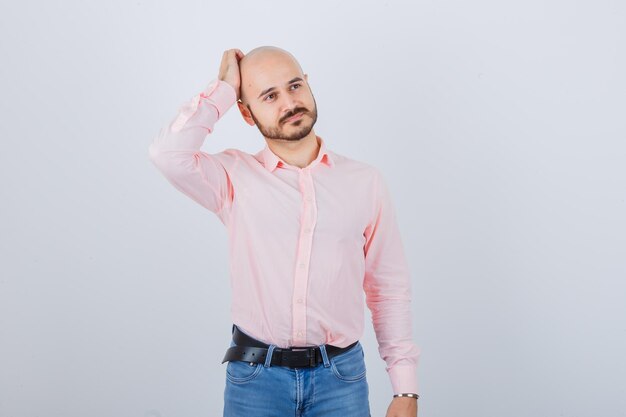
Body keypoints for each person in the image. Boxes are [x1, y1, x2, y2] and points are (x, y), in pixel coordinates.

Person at [148, 46, 421, 417]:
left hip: (341, 380)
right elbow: (167, 154)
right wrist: (226, 89)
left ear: (308, 85)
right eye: (269, 96)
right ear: (246, 112)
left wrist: (405, 391)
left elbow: (388, 288)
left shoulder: (365, 182)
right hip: (256, 380)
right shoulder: (233, 178)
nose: (289, 103)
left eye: (294, 87)